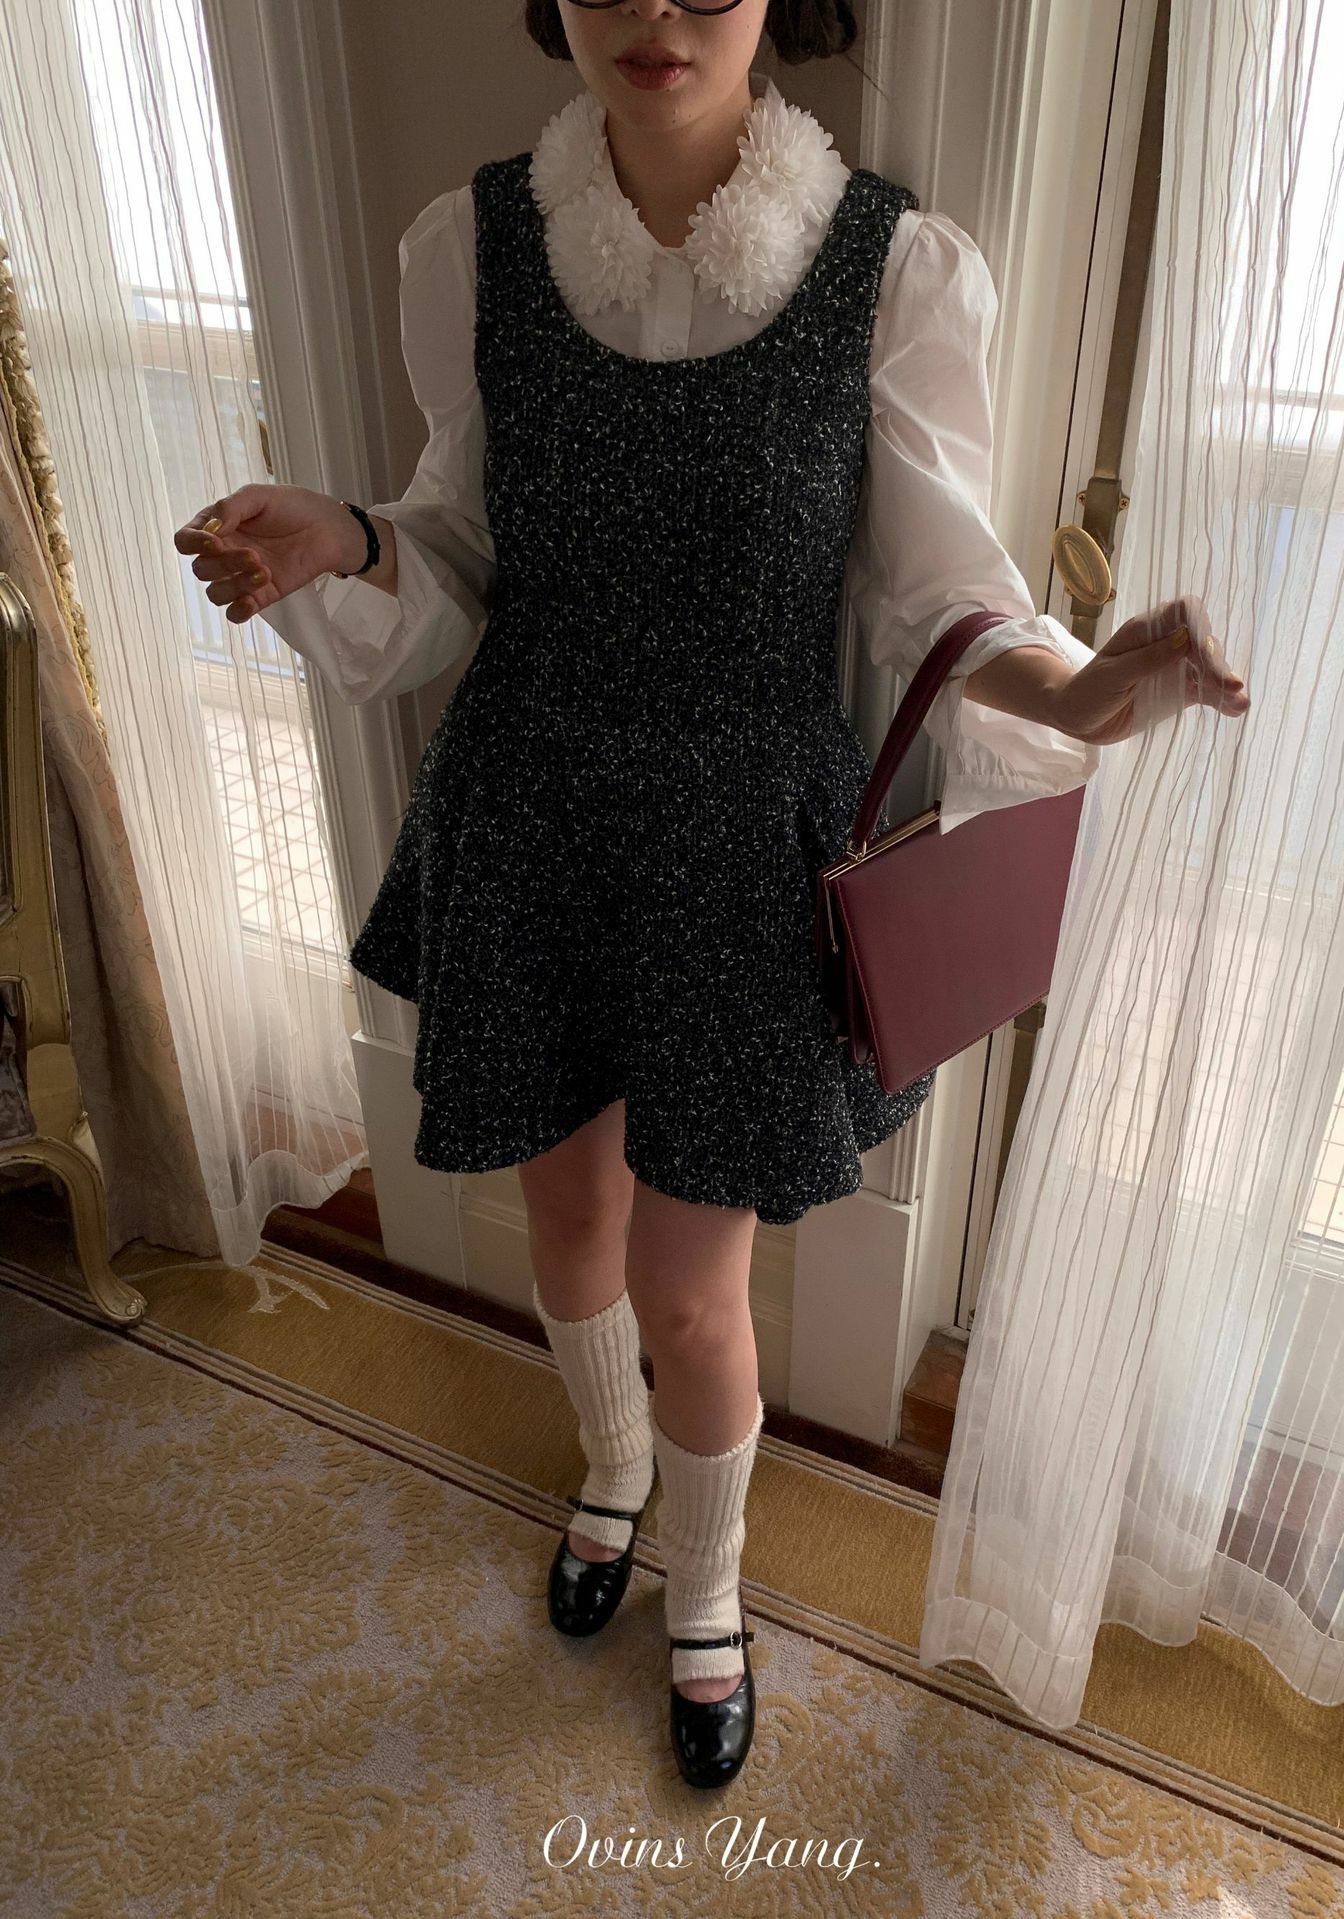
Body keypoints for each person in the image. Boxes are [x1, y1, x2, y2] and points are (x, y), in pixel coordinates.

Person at [174, 0, 1248, 1790]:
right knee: (566, 1225)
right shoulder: (471, 247)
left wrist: (1083, 693)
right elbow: (459, 550)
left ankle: (711, 1584)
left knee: (691, 1292)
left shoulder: (894, 271)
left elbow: (934, 596)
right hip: (537, 807)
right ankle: (610, 1470)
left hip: (744, 843)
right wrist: (348, 538)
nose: (657, 12)